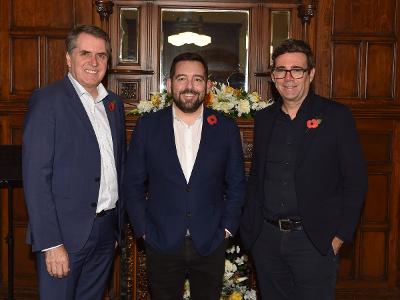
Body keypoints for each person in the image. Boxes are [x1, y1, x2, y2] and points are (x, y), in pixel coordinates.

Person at [240, 39, 368, 300]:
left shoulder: (336, 117)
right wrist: (251, 233)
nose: (288, 77)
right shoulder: (263, 119)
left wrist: (339, 237)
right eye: (281, 70)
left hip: (315, 241)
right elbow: (256, 179)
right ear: (273, 76)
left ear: (310, 73)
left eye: (296, 69)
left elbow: (355, 181)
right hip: (267, 240)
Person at [123, 52, 246, 300]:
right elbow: (132, 183)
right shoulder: (148, 127)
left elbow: (236, 184)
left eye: (197, 79)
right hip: (161, 240)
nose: (189, 86)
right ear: (169, 85)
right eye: (182, 78)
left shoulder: (225, 128)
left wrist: (227, 229)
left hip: (210, 241)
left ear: (208, 86)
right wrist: (144, 229)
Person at [22, 24, 126, 299]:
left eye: (101, 56)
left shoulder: (113, 104)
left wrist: (116, 230)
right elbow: (36, 178)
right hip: (64, 237)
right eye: (86, 53)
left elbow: (118, 166)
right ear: (69, 58)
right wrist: (51, 243)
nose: (94, 62)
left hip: (105, 232)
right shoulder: (48, 101)